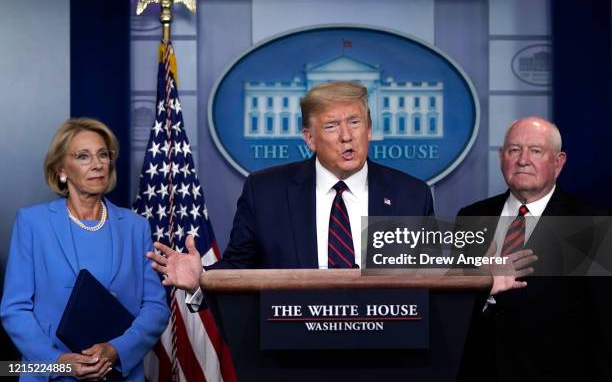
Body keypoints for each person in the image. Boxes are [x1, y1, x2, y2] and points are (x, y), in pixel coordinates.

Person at [148, 81, 434, 295]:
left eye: (355, 123)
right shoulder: (265, 192)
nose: (347, 136)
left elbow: (428, 280)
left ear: (369, 130)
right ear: (309, 138)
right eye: (332, 126)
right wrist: (202, 278)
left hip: (386, 351)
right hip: (292, 350)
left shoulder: (411, 194)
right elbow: (239, 268)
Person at [0, 118, 169, 381]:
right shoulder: (32, 223)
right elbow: (14, 310)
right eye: (83, 156)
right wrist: (59, 363)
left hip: (118, 373)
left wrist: (117, 350)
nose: (97, 164)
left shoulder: (136, 227)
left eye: (103, 154)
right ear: (61, 169)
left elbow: (156, 308)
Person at [457, 117, 611, 381]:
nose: (522, 160)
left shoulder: (591, 225)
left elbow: (605, 326)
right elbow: (456, 309)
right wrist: (483, 286)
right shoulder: (472, 216)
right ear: (501, 157)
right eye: (514, 150)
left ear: (558, 163)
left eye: (536, 151)